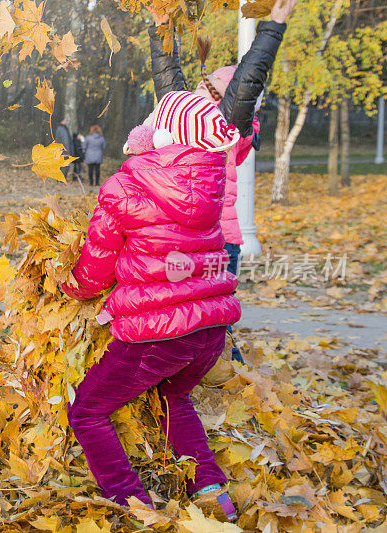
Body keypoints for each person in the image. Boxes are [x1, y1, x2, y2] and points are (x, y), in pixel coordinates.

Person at [62, 91, 242, 521]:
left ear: (163, 134)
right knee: (172, 399)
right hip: (210, 329)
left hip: (157, 334)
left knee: (87, 411)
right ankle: (214, 494)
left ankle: (133, 504)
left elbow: (97, 265)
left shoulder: (127, 185)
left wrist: (76, 289)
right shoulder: (211, 182)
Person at [147, 0, 297, 364]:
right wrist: (162, 26)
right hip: (183, 240)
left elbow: (250, 76)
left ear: (227, 98)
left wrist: (275, 24)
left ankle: (236, 380)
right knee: (177, 317)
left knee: (214, 324)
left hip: (218, 243)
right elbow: (169, 76)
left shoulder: (226, 128)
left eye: (211, 80)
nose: (201, 81)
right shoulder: (187, 117)